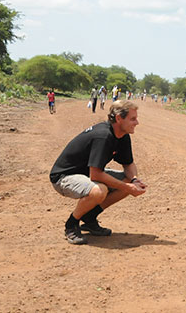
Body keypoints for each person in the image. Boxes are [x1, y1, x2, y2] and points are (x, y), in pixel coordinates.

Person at [49, 100, 147, 245]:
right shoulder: (103, 136)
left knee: (127, 180)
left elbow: (129, 163)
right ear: (119, 118)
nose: (137, 122)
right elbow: (96, 175)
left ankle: (89, 218)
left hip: (86, 173)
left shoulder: (123, 135)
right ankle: (71, 224)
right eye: (133, 119)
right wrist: (127, 188)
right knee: (99, 191)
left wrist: (134, 181)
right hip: (63, 177)